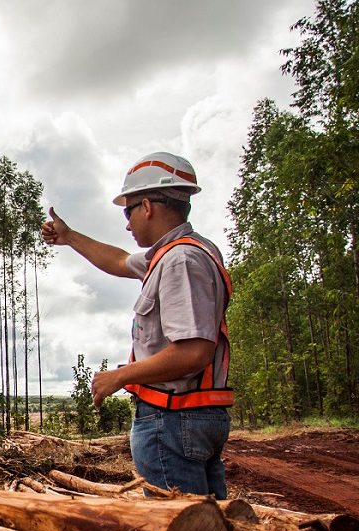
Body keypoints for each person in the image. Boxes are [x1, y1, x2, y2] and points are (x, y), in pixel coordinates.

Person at [41, 152, 232, 499]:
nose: (127, 224)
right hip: (191, 417)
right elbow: (117, 260)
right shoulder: (181, 252)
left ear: (147, 206)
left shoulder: (180, 260)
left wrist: (121, 375)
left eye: (128, 211)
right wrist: (69, 237)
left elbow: (194, 351)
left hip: (173, 419)